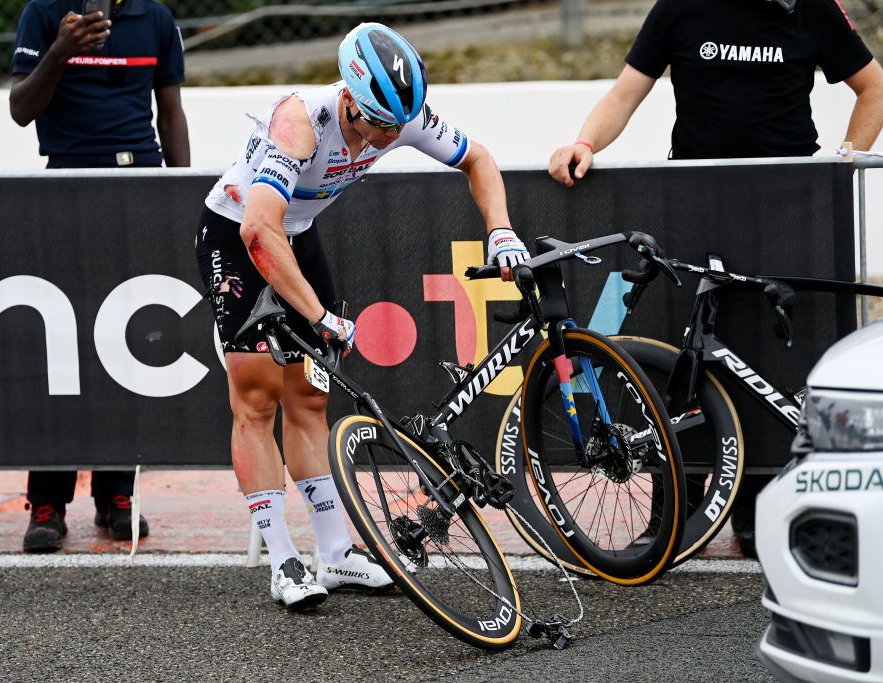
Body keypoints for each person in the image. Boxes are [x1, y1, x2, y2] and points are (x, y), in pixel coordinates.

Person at [197, 22, 529, 611]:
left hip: (295, 236)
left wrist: (500, 231)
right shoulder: (299, 124)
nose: (384, 137)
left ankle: (334, 552)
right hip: (238, 237)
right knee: (256, 399)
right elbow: (257, 229)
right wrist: (321, 314)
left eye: (395, 128)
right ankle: (283, 562)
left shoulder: (398, 116)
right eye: (376, 124)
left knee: (311, 397)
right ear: (348, 98)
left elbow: (478, 159)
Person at [548, 0, 883, 558]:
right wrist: (585, 143)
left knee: (768, 356)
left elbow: (873, 87)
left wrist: (843, 162)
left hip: (785, 209)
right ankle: (674, 505)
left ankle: (756, 509)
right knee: (683, 354)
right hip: (695, 201)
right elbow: (626, 93)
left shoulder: (811, 7)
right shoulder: (680, 6)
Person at [9, 0, 190, 552]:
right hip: (65, 184)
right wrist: (61, 51)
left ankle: (117, 495)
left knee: (127, 343)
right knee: (59, 346)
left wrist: (180, 197)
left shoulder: (155, 18)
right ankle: (48, 501)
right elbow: (20, 109)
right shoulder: (43, 14)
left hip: (138, 184)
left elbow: (171, 111)